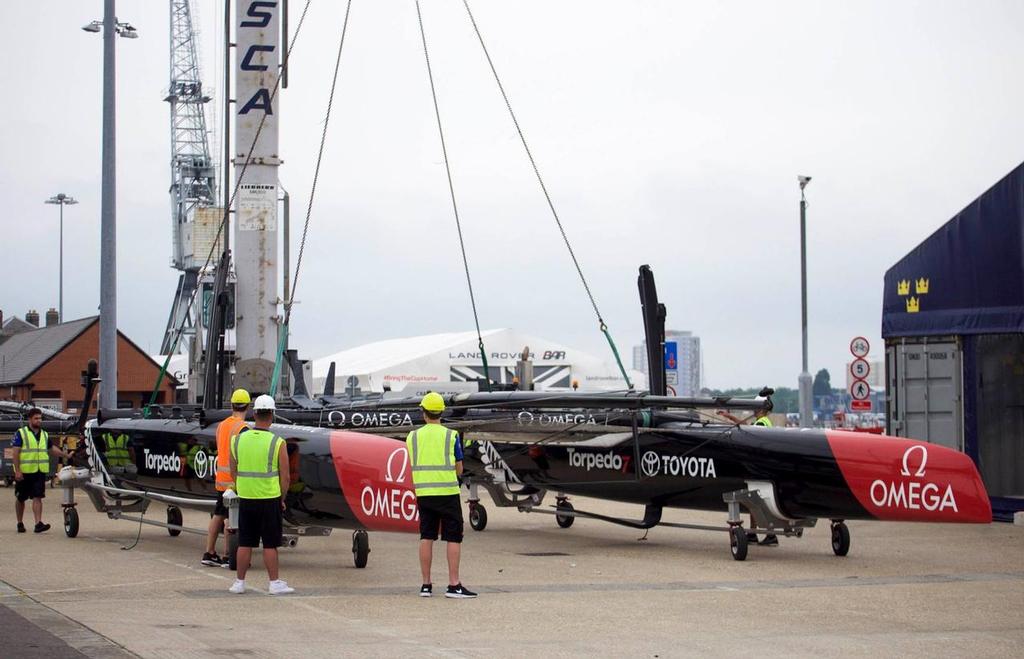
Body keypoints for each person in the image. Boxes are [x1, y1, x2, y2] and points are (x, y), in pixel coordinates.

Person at [407, 392, 477, 599]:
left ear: (423, 412)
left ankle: (426, 585)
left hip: (424, 493)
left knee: (426, 536)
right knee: (453, 537)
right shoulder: (451, 435)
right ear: (442, 413)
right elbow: (459, 469)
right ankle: (454, 585)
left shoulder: (412, 436)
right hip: (447, 492)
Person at [228, 395, 293, 595]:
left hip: (246, 498)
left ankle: (239, 582)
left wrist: (242, 488)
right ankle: (274, 583)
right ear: (272, 415)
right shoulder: (278, 442)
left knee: (245, 541)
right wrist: (281, 499)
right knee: (270, 543)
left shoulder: (237, 440)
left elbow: (233, 471)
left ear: (254, 413)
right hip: (269, 499)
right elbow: (286, 477)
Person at [202, 389, 250, 568]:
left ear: (231, 405)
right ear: (248, 406)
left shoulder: (221, 425)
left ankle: (209, 552)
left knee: (218, 515)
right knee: (232, 518)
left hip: (221, 479)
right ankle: (227, 555)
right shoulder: (243, 428)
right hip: (235, 480)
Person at [717, 406, 778, 546]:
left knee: (757, 503)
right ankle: (754, 533)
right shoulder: (762, 421)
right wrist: (729, 417)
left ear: (762, 410)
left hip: (759, 468)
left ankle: (769, 534)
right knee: (755, 502)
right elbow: (745, 426)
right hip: (761, 467)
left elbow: (750, 434)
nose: (753, 411)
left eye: (756, 409)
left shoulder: (762, 422)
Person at [11, 408, 71, 533]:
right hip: (25, 471)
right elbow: (15, 453)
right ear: (30, 419)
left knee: (37, 497)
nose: (39, 421)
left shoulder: (44, 434)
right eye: (36, 418)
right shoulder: (21, 433)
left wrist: (65, 455)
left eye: (40, 418)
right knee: (21, 498)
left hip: (39, 471)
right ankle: (19, 523)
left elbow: (51, 449)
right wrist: (17, 470)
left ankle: (38, 523)